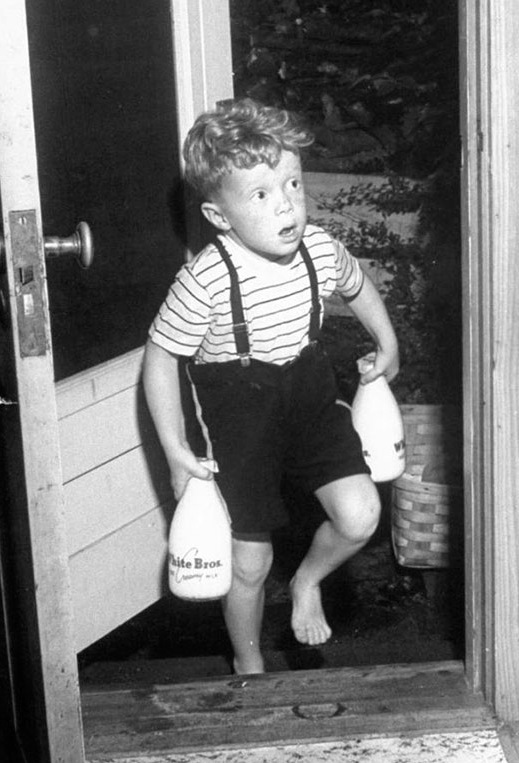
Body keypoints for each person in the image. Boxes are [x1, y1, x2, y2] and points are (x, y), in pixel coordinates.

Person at [142, 97, 400, 674]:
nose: (286, 206)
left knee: (359, 516)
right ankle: (249, 662)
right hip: (240, 420)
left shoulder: (319, 249)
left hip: (308, 399)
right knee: (251, 562)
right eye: (261, 195)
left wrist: (388, 343)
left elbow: (357, 285)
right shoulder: (207, 278)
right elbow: (161, 356)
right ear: (219, 216)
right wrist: (175, 448)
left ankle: (308, 580)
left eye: (292, 184)